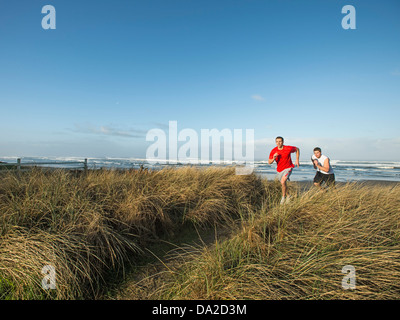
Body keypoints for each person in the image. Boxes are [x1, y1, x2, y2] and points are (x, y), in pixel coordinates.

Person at [268, 136, 300, 204]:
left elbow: (297, 149)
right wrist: (274, 158)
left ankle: (283, 197)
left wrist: (297, 159)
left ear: (283, 142)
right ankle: (288, 196)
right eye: (277, 142)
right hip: (279, 170)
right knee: (283, 184)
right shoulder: (273, 151)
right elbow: (269, 162)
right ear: (275, 142)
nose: (278, 143)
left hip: (288, 167)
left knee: (283, 182)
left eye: (280, 141)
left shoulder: (288, 148)